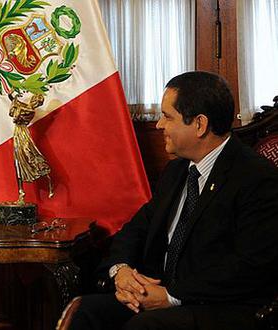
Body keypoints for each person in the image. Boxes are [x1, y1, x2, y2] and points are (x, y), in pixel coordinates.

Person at [69, 71, 278, 330]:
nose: (159, 125)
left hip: (221, 306)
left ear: (200, 125)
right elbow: (134, 231)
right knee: (85, 312)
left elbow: (249, 266)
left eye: (168, 116)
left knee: (145, 326)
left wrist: (172, 295)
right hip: (159, 294)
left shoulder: (256, 178)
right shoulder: (177, 172)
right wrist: (122, 272)